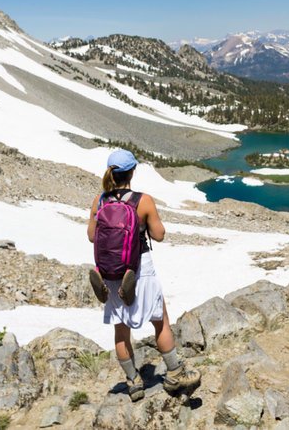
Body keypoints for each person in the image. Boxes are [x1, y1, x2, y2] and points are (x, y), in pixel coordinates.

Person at [87, 148, 200, 401]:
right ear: (132, 172)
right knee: (160, 320)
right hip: (140, 266)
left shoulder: (100, 201)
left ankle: (133, 382)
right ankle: (174, 373)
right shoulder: (143, 200)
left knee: (120, 327)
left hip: (111, 271)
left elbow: (92, 236)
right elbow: (159, 235)